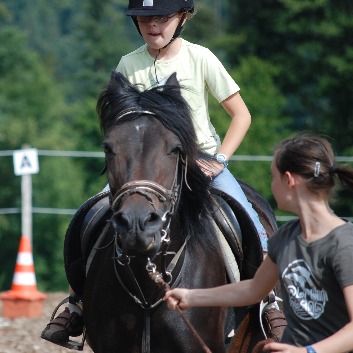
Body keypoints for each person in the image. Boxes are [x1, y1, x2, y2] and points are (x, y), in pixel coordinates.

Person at [41, 0, 269, 346]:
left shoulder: (201, 58)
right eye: (144, 17)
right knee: (88, 216)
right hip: (143, 168)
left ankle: (270, 303)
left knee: (248, 219)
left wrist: (220, 159)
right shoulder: (127, 64)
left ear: (183, 17)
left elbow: (242, 115)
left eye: (162, 17)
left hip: (201, 162)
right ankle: (76, 304)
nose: (152, 24)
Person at [164, 133, 353, 353]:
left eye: (274, 178)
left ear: (289, 180)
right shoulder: (286, 237)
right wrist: (191, 296)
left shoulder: (344, 243)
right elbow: (254, 289)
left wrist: (307, 351)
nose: (271, 186)